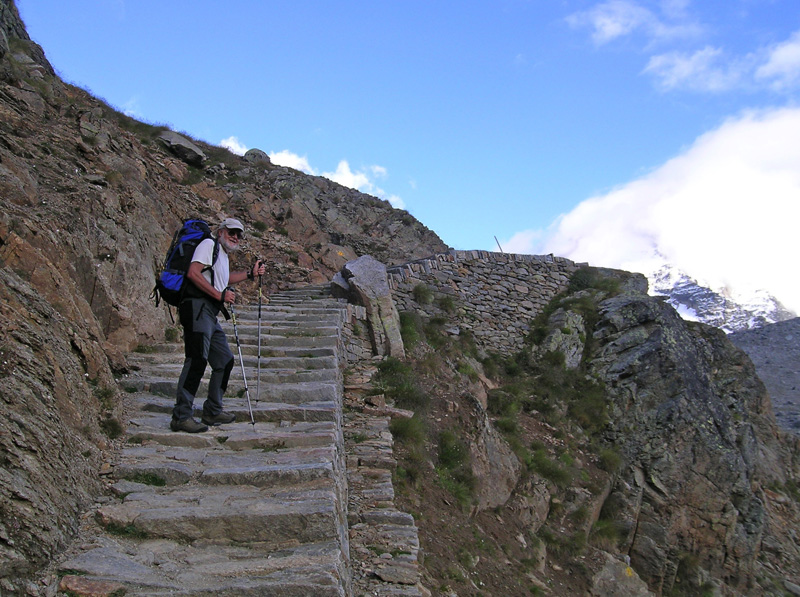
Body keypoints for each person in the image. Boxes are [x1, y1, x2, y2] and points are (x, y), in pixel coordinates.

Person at [170, 217, 266, 433]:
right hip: (197, 308)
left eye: (239, 235)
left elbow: (224, 279)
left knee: (224, 360)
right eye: (232, 232)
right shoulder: (208, 245)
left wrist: (250, 274)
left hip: (209, 313)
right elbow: (193, 273)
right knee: (196, 360)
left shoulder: (221, 254)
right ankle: (181, 416)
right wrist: (219, 295)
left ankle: (212, 410)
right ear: (221, 231)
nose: (236, 237)